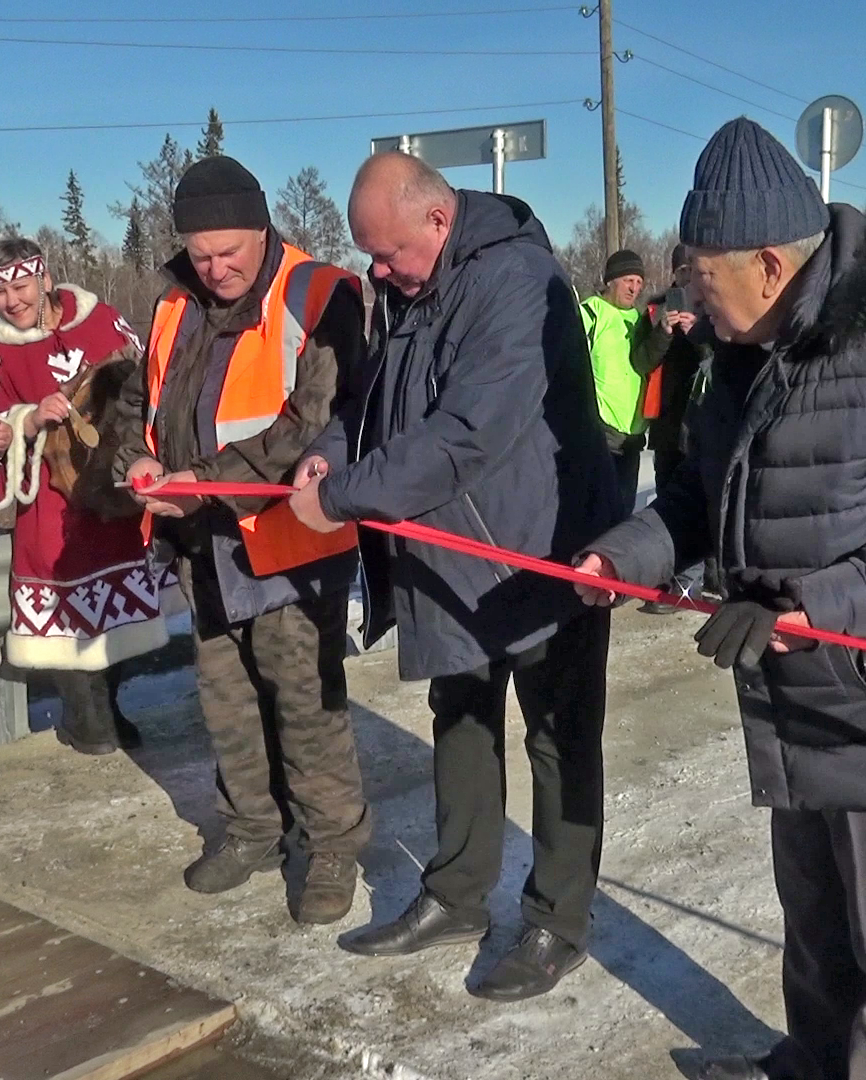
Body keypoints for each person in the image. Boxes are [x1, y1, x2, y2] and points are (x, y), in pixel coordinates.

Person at [573, 118, 866, 1080]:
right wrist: (623, 559)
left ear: (770, 265)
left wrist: (824, 605)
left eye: (699, 271)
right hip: (795, 698)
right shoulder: (739, 358)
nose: (684, 290)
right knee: (818, 938)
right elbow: (698, 496)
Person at [287, 151, 624, 1002]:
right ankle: (457, 894)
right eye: (368, 251)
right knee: (462, 717)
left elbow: (469, 432)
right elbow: (366, 409)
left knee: (559, 735)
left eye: (388, 250)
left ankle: (557, 919)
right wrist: (326, 465)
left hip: (544, 549)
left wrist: (347, 501)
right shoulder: (407, 292)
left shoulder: (517, 281)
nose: (376, 267)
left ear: (437, 221)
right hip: (453, 552)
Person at [107, 155, 373, 926]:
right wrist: (138, 460)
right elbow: (138, 400)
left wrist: (199, 479)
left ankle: (330, 843)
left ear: (263, 229)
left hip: (289, 537)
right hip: (200, 539)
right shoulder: (171, 306)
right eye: (201, 255)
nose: (217, 268)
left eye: (230, 251)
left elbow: (315, 419)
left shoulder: (318, 293)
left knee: (303, 700)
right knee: (225, 697)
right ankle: (253, 826)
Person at [0, 238, 167, 756]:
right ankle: (86, 717)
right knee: (64, 616)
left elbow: (146, 379)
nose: (12, 301)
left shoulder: (101, 320)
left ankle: (108, 706)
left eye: (20, 286)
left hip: (113, 497)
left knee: (119, 614)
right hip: (50, 505)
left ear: (44, 278)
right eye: (0, 292)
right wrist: (25, 421)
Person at [639, 244, 708, 613]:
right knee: (669, 498)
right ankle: (674, 577)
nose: (688, 277)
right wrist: (663, 332)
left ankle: (691, 583)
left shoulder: (718, 309)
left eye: (694, 269)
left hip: (703, 424)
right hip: (667, 424)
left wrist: (699, 332)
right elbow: (641, 361)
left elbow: (724, 363)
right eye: (683, 270)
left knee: (701, 500)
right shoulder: (655, 311)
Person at [581, 248, 662, 511]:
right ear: (611, 280)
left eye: (639, 283)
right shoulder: (591, 313)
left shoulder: (639, 319)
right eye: (628, 280)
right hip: (600, 434)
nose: (634, 289)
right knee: (595, 513)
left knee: (622, 514)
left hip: (633, 437)